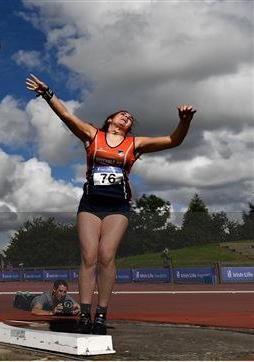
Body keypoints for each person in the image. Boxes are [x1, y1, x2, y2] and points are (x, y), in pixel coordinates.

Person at [26, 74, 195, 334]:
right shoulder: (93, 136)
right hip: (91, 204)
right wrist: (48, 94)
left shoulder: (134, 144)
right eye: (122, 114)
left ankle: (101, 315)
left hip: (118, 206)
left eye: (130, 117)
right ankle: (84, 315)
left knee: (106, 256)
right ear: (110, 120)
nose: (127, 117)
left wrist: (184, 121)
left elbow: (174, 141)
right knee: (89, 256)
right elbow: (66, 116)